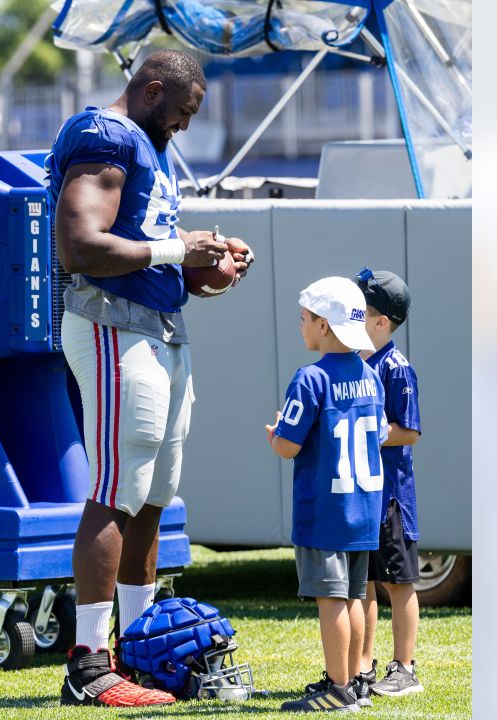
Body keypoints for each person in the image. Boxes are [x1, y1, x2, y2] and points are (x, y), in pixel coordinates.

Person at [46, 49, 254, 708]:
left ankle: (136, 650)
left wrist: (210, 267)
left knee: (154, 494)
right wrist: (176, 249)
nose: (186, 127)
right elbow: (79, 243)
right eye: (183, 112)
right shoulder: (104, 134)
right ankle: (88, 663)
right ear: (152, 89)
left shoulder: (145, 144)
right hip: (112, 327)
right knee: (117, 489)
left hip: (158, 327)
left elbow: (155, 256)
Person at [266, 277, 386, 713]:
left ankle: (338, 689)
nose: (300, 326)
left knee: (331, 599)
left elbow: (288, 445)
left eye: (304, 318)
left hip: (326, 509)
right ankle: (354, 682)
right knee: (354, 596)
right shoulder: (371, 375)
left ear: (323, 325)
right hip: (363, 509)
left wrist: (276, 434)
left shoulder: (311, 377)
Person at [353, 268, 424, 699]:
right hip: (365, 494)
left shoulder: (396, 368)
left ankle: (405, 668)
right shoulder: (359, 362)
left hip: (391, 497)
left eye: (361, 312)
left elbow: (410, 431)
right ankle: (363, 665)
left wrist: (370, 431)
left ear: (382, 322)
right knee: (365, 581)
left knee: (397, 582)